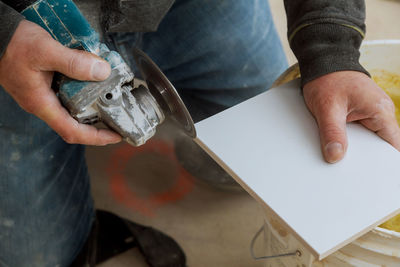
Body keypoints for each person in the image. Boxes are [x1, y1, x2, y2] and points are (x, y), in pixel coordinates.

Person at [0, 0, 399, 266]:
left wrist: (332, 53)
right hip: (26, 22)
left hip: (188, 6)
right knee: (37, 257)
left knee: (250, 162)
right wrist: (5, 38)